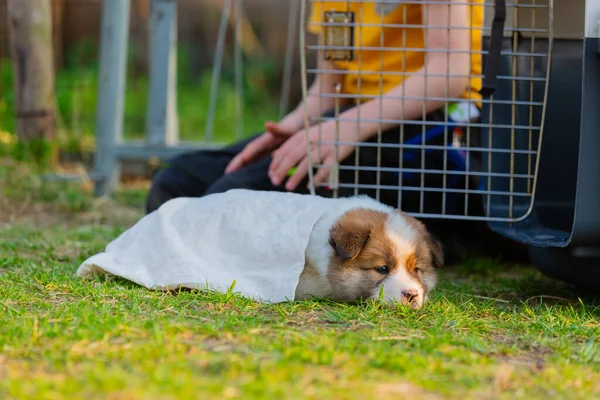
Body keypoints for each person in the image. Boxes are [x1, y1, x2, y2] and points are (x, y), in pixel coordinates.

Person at [146, 0, 485, 220]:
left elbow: (449, 74)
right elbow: (329, 87)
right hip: (353, 120)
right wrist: (291, 129)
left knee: (228, 201)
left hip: (433, 128)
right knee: (175, 184)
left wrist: (345, 129)